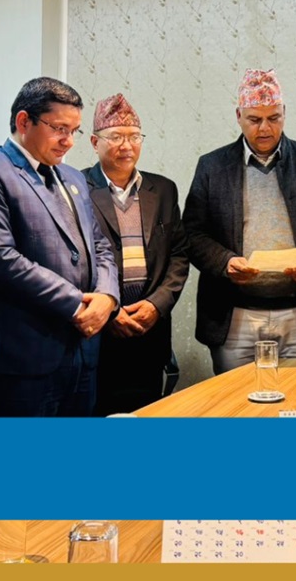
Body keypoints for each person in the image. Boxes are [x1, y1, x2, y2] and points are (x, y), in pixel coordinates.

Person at [0, 78, 119, 417]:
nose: (68, 141)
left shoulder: (73, 177)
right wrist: (77, 304)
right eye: (59, 128)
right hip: (25, 358)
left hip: (83, 354)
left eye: (74, 131)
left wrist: (107, 297)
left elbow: (99, 245)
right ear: (24, 121)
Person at [184, 69, 296, 374]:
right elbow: (192, 234)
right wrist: (225, 262)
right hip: (235, 316)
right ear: (238, 116)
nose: (264, 128)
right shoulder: (212, 166)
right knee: (235, 399)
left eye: (273, 118)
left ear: (284, 113)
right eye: (254, 119)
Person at [84, 94, 189, 414]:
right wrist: (109, 311)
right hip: (99, 334)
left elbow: (179, 255)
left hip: (150, 330)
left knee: (146, 418)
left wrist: (157, 305)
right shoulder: (75, 187)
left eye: (134, 137)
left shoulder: (163, 189)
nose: (126, 146)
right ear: (95, 142)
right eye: (116, 137)